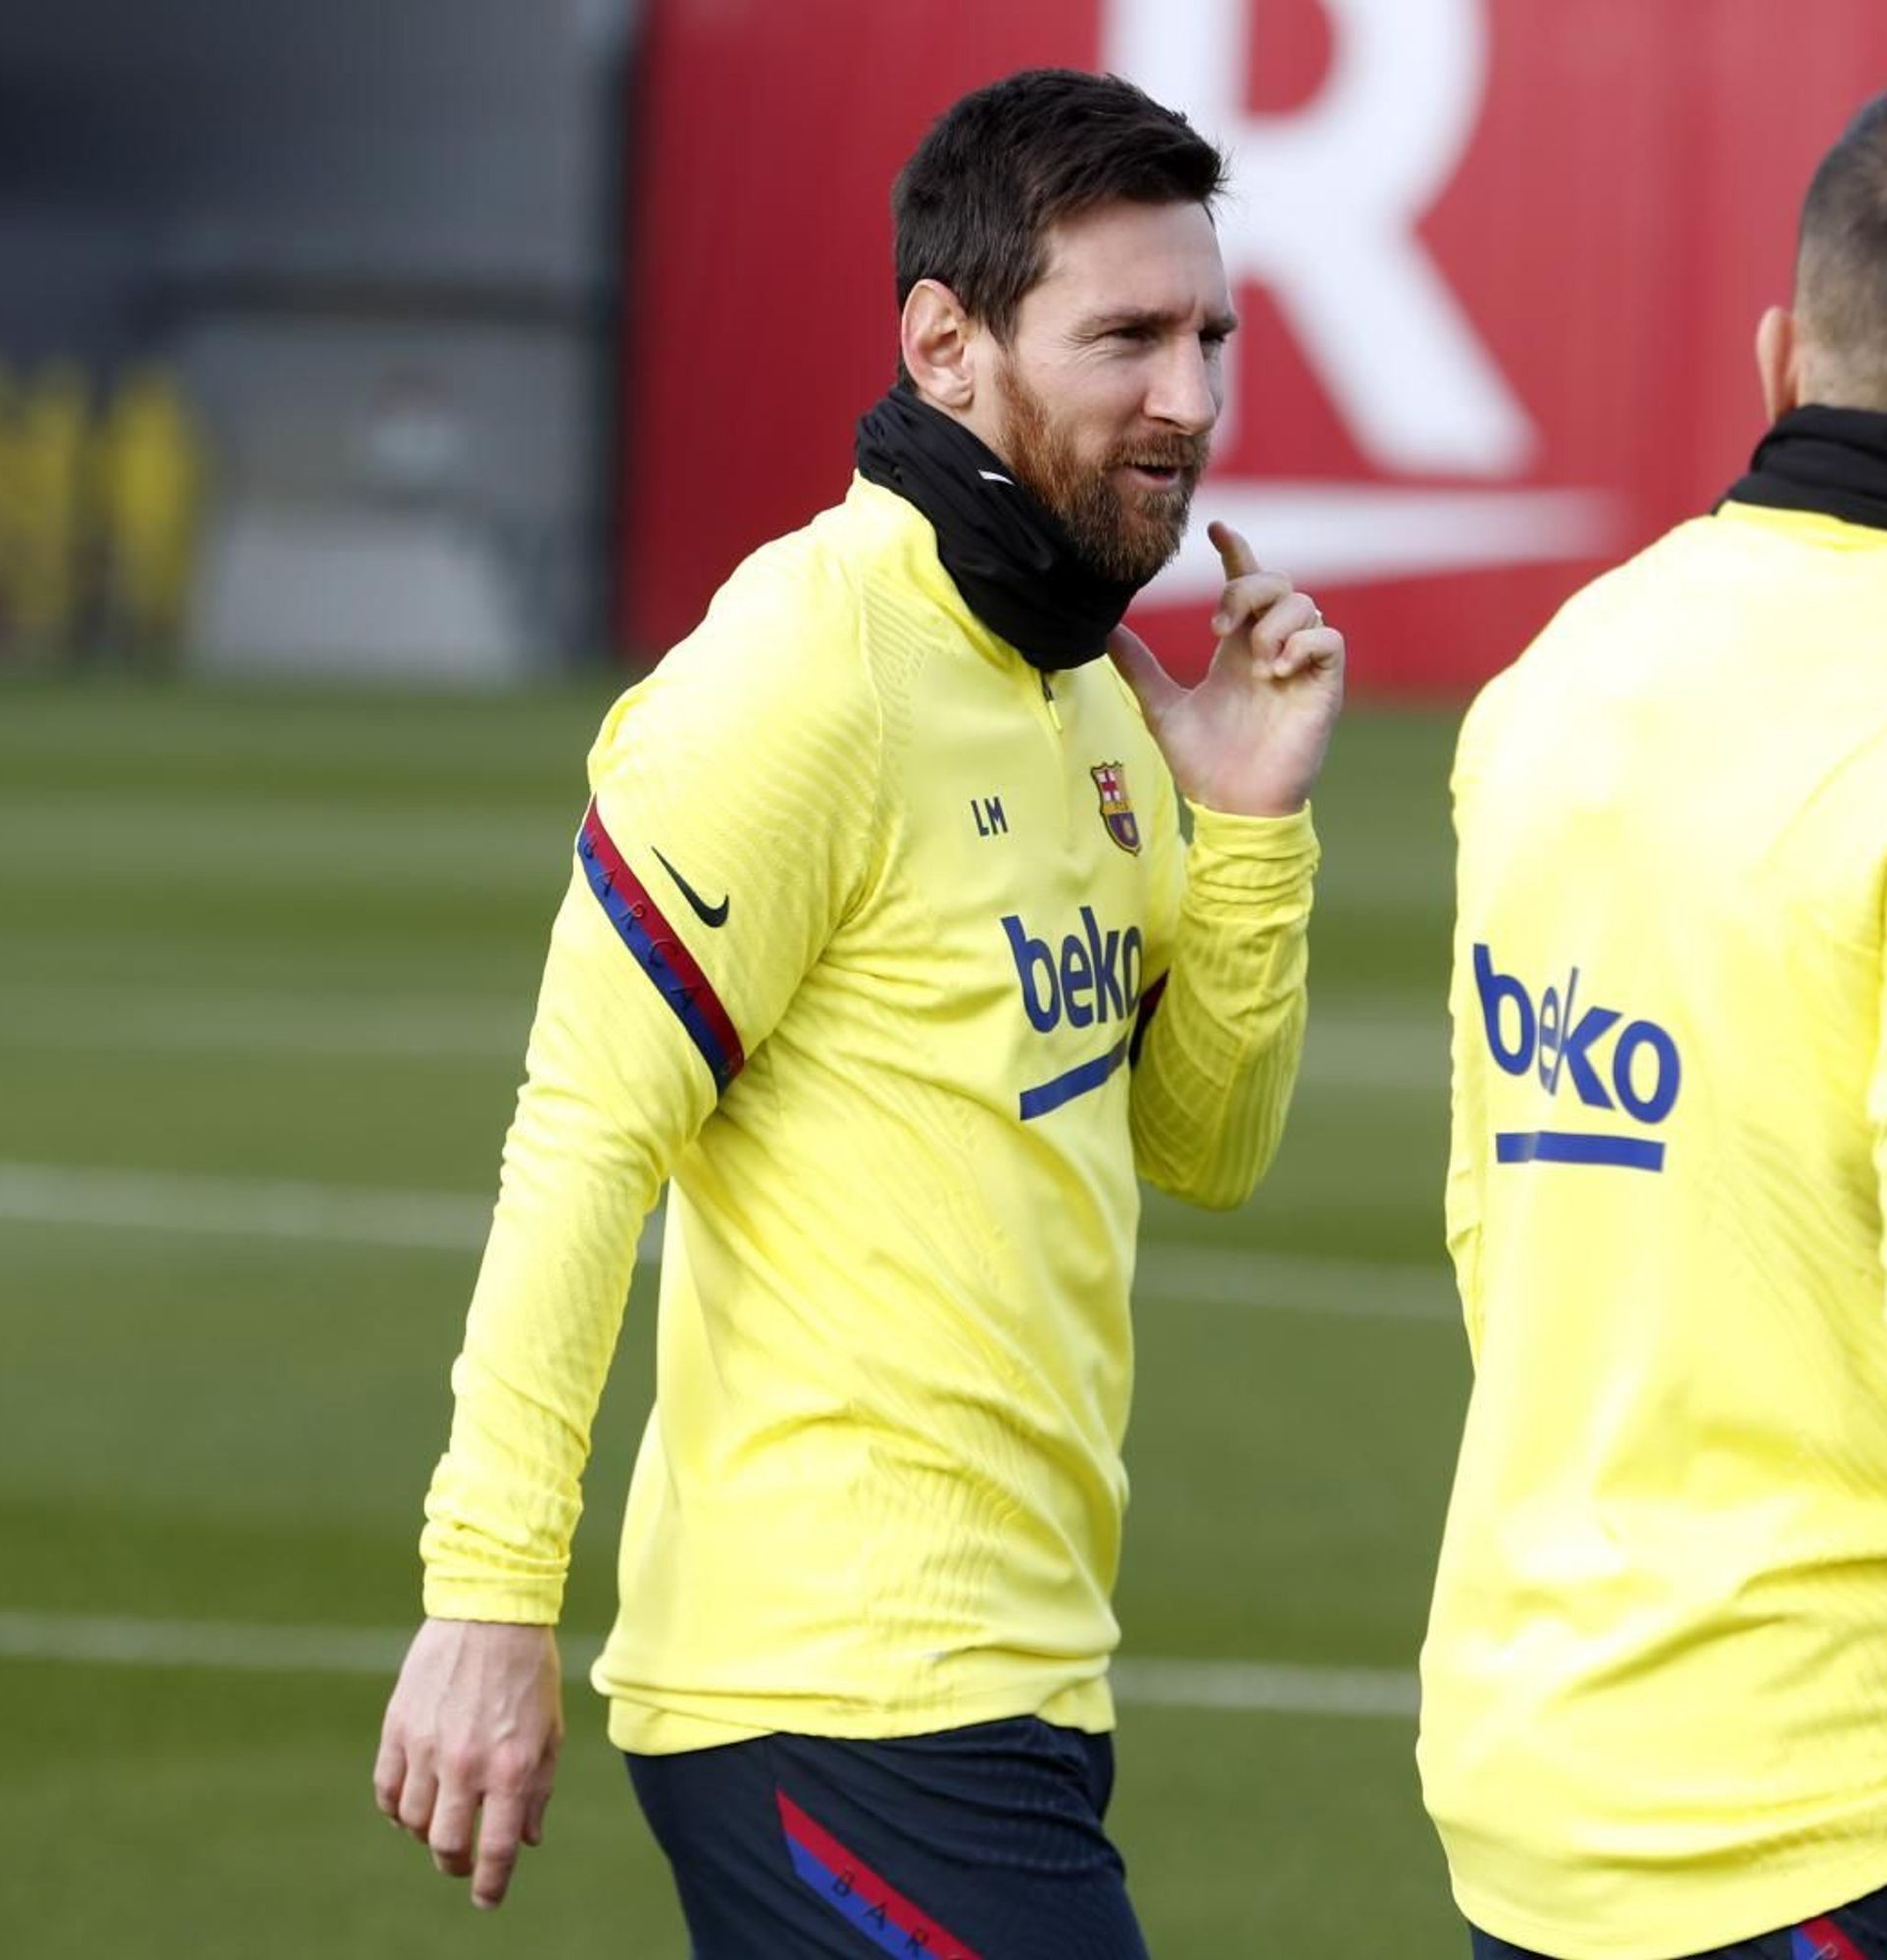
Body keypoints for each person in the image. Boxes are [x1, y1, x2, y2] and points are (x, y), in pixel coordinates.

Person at [371, 67, 1343, 1957]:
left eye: (1211, 333)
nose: (1193, 400)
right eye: (1127, 337)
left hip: (1019, 1676)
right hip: (837, 1687)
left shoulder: (1089, 689)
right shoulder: (804, 671)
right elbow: (584, 1133)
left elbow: (1204, 1145)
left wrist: (1245, 834)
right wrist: (487, 1601)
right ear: (946, 344)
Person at [1419, 65, 1887, 1960]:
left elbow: (1489, 1223)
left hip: (1524, 1787)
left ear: (1779, 359)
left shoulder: (1554, 672)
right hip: (1831, 1829)